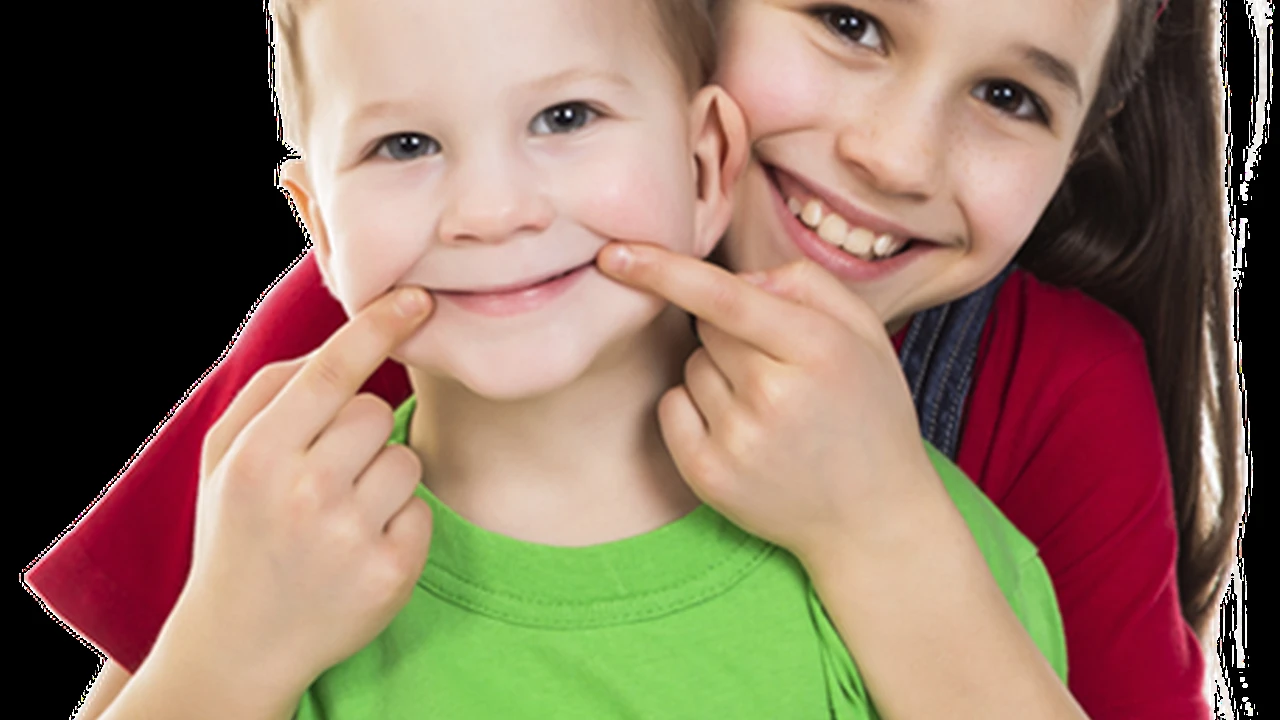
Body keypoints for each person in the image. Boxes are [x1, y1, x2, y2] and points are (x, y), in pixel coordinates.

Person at [26, 0, 1238, 718]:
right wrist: (232, 647)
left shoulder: (1054, 388)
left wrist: (878, 529)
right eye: (847, 20)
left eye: (1010, 97)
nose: (893, 155)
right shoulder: (416, 306)